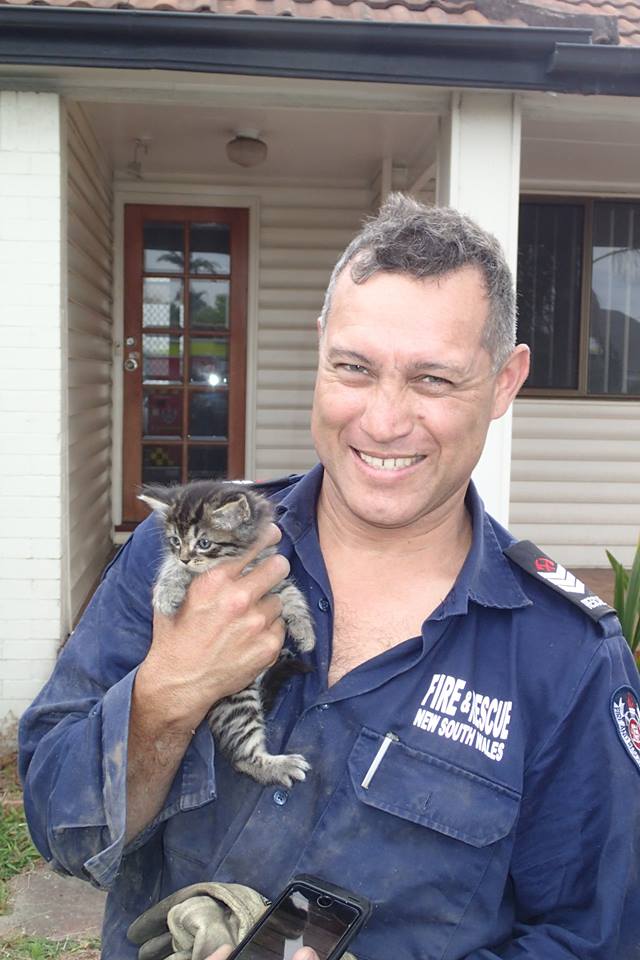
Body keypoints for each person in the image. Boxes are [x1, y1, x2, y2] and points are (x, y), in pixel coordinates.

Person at [19, 195, 640, 960]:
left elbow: (595, 939)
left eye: (434, 381)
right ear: (320, 352)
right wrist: (168, 694)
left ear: (505, 382)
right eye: (354, 368)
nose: (383, 420)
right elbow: (58, 824)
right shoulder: (173, 557)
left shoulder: (567, 658)